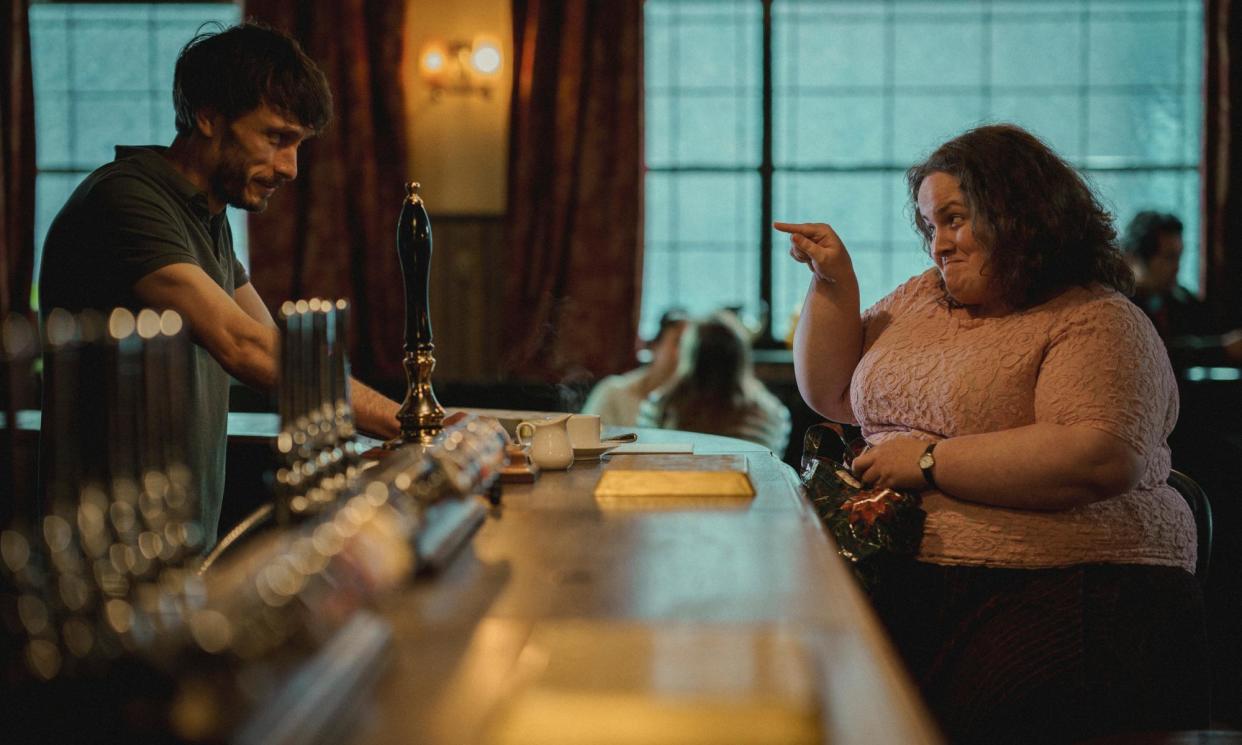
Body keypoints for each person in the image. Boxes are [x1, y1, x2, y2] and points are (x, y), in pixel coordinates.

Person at [777, 124, 1206, 744]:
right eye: (930, 226)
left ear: (1019, 216)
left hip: (1068, 584)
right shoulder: (922, 300)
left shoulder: (1097, 319)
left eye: (954, 220)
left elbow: (1098, 455)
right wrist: (834, 282)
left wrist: (927, 461)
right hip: (909, 571)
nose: (938, 246)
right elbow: (832, 392)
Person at [38, 22, 400, 549]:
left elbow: (279, 345)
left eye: (298, 144)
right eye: (276, 138)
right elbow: (244, 346)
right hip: (106, 555)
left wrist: (390, 422)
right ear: (207, 115)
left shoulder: (206, 216)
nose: (291, 168)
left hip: (176, 545)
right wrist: (403, 420)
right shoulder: (126, 200)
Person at [637, 311, 790, 455]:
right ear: (741, 358)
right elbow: (767, 468)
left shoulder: (658, 408)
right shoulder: (771, 414)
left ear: (689, 357)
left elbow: (651, 460)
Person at [1122, 210, 1242, 371]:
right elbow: (1153, 352)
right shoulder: (1120, 307)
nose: (1177, 267)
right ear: (1134, 258)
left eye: (1179, 257)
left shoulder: (1181, 299)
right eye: (1169, 257)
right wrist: (1221, 349)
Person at [581, 309, 688, 426]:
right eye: (678, 342)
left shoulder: (689, 405)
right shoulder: (613, 392)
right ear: (654, 346)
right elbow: (584, 436)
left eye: (691, 345)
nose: (686, 351)